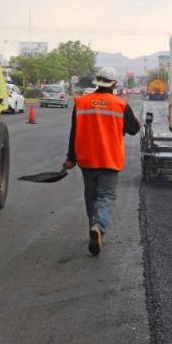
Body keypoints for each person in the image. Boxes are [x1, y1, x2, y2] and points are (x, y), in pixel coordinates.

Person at [62, 67, 140, 255]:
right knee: (106, 196)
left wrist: (71, 158)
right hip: (109, 159)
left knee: (91, 196)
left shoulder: (81, 102)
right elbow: (134, 129)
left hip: (87, 159)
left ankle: (95, 230)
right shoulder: (120, 105)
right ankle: (98, 227)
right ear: (113, 84)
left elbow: (74, 133)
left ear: (96, 82)